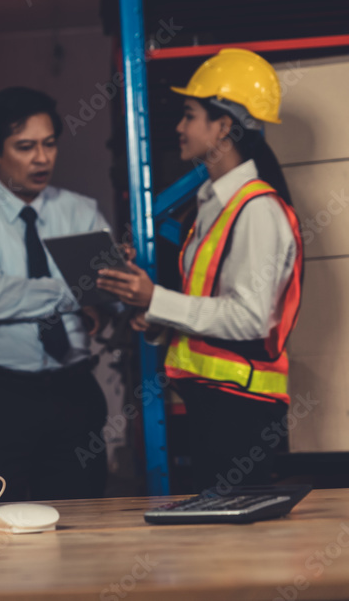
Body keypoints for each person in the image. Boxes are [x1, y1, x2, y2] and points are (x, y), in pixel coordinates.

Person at [96, 48, 303, 491]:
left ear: (224, 127)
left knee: (236, 549)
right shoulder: (213, 206)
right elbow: (209, 306)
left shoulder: (258, 210)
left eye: (189, 115)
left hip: (242, 408)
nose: (178, 127)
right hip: (213, 400)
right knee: (218, 548)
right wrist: (153, 315)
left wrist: (156, 298)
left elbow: (250, 317)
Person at [0, 87, 112, 502]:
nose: (42, 158)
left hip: (73, 393)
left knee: (84, 523)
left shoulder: (80, 211)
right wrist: (78, 291)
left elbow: (109, 295)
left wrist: (106, 296)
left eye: (50, 145)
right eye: (26, 147)